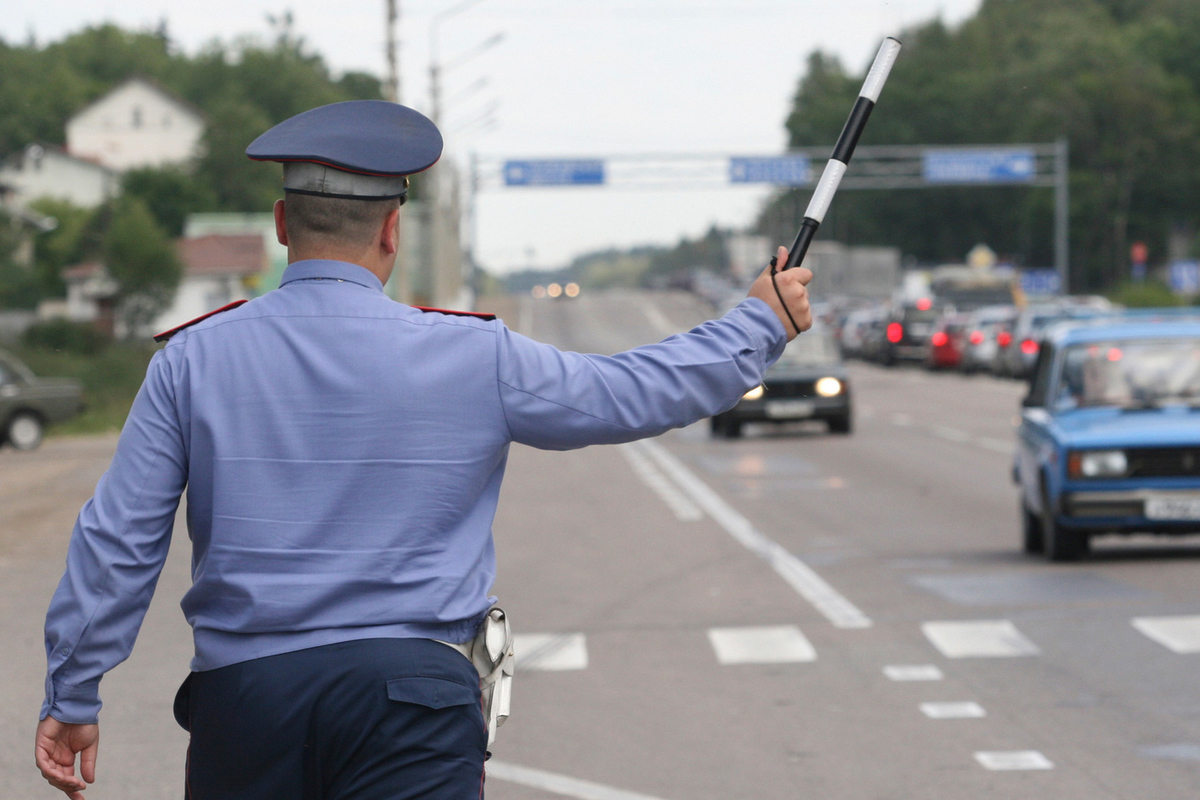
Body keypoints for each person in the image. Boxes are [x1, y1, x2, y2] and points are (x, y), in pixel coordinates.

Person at [35, 100, 812, 800]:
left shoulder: (191, 361)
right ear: (392, 229)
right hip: (414, 702)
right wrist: (758, 321)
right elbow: (630, 393)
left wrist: (74, 693)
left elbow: (119, 538)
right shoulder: (474, 355)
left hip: (248, 704)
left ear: (281, 223)